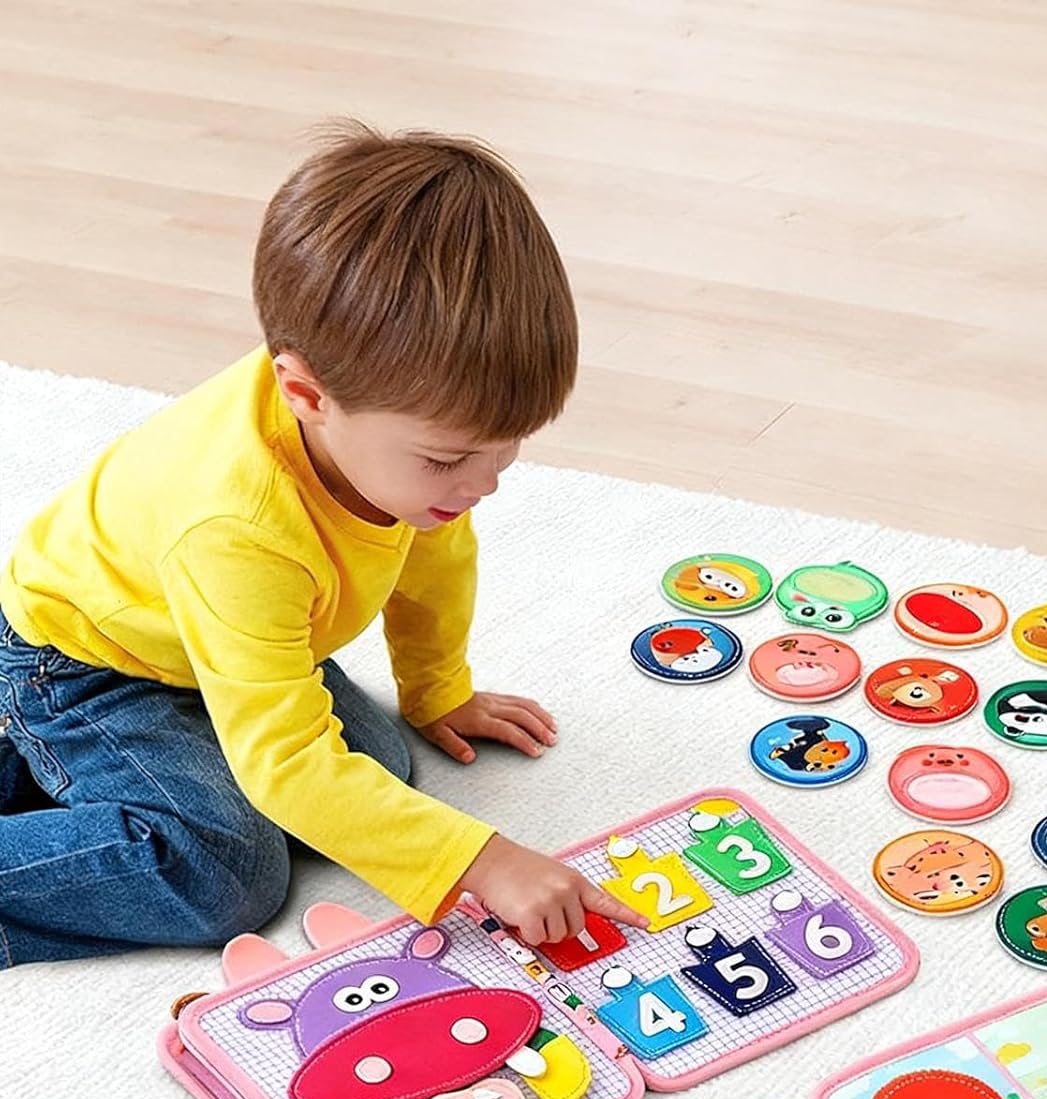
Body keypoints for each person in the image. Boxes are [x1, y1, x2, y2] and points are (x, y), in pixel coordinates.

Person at [0, 122, 646, 966]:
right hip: (79, 666)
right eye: (447, 459)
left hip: (201, 642)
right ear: (305, 394)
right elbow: (288, 763)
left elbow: (434, 562)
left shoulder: (390, 424)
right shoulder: (235, 528)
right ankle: (29, 747)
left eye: (506, 447)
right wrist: (484, 861)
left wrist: (438, 690)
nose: (484, 483)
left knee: (379, 767)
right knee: (229, 872)